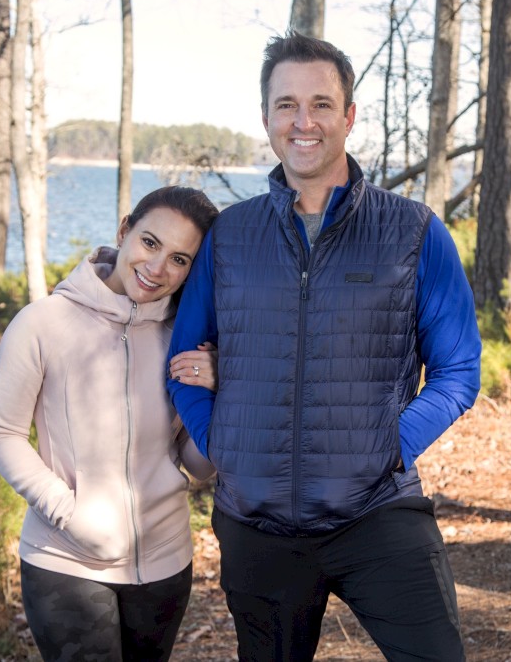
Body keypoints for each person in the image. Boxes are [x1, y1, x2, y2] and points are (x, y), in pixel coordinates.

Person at [167, 33, 481, 661]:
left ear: (349, 116)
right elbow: (181, 364)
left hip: (377, 512)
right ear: (266, 118)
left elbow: (458, 371)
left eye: (320, 104)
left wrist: (390, 445)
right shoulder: (229, 236)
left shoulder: (412, 231)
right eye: (286, 105)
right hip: (256, 527)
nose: (302, 122)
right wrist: (224, 443)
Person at [0, 186, 220, 662]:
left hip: (166, 559)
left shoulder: (185, 336)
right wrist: (69, 514)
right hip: (67, 560)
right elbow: (0, 434)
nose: (157, 269)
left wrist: (217, 400)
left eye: (179, 259)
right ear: (124, 231)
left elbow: (197, 463)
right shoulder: (42, 323)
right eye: (150, 243)